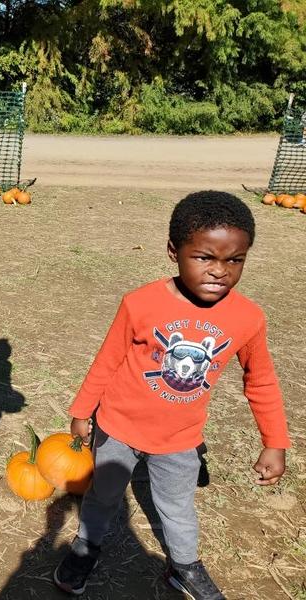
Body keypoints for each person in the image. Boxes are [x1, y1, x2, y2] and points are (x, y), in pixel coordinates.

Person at [53, 191, 290, 600]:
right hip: (118, 427)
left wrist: (275, 442)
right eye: (204, 257)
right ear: (172, 251)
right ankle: (85, 547)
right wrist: (82, 409)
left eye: (235, 260)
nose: (220, 271)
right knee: (103, 496)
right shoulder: (140, 303)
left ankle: (183, 565)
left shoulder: (247, 318)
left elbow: (262, 381)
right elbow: (108, 360)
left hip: (180, 438)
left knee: (178, 508)